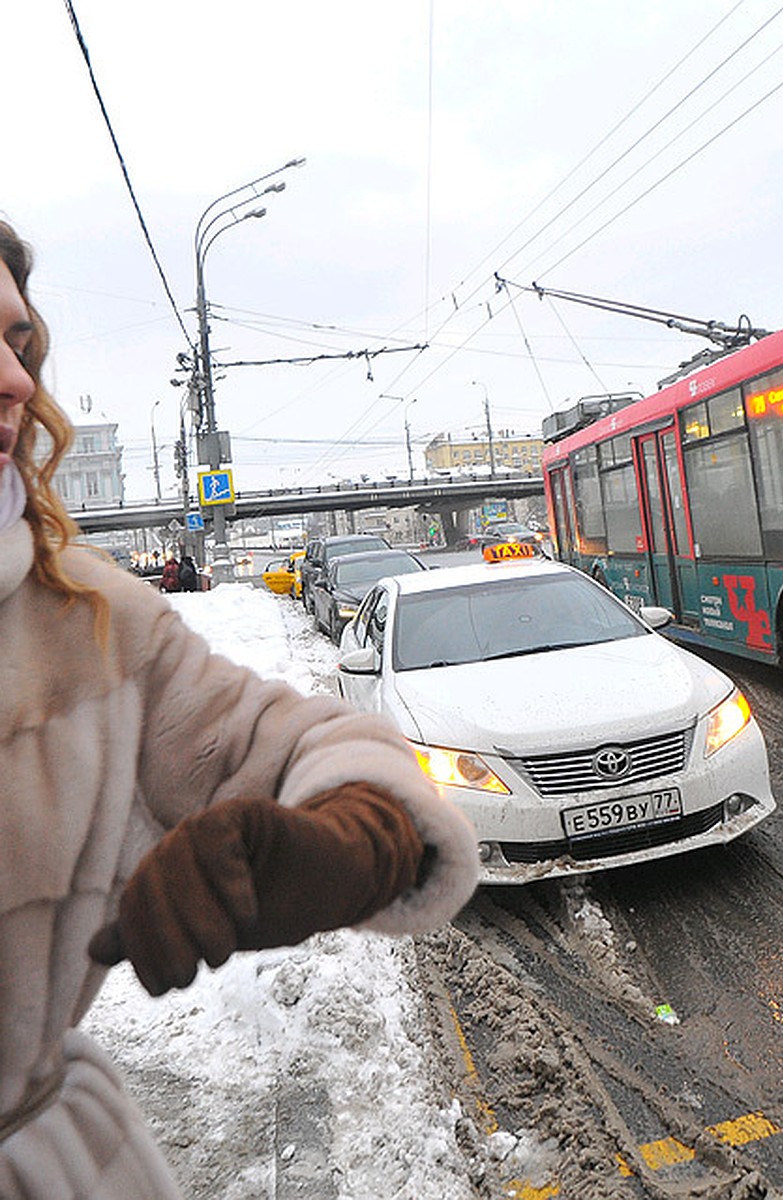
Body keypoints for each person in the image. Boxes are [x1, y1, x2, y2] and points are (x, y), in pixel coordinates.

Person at [0, 220, 480, 1197]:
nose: (15, 381)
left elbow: (294, 740)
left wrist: (344, 845)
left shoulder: (86, 620)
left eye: (17, 343)